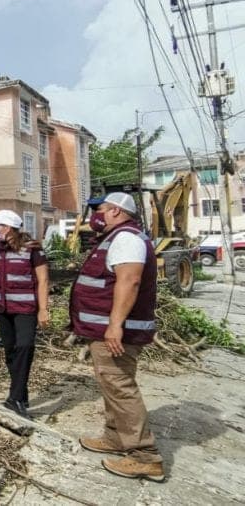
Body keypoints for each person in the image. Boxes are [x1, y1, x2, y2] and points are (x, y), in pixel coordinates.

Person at [70, 192, 165, 482]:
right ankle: (115, 437)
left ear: (115, 211)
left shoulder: (126, 239)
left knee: (120, 385)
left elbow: (130, 280)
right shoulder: (117, 238)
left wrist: (115, 325)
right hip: (104, 329)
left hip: (115, 332)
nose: (96, 216)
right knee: (111, 383)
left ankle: (145, 456)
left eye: (100, 210)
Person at [0, 209, 50, 418]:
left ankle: (15, 399)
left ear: (8, 228)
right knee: (11, 353)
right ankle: (21, 393)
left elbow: (44, 280)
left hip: (25, 309)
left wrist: (43, 309)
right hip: (2, 309)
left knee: (24, 347)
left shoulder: (32, 250)